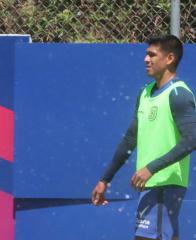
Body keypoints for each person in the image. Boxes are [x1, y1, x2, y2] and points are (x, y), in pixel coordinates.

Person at [91, 35, 196, 240]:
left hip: (166, 183)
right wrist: (105, 179)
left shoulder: (178, 94)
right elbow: (130, 139)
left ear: (170, 58)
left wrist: (151, 168)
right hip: (149, 185)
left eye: (152, 54)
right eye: (146, 54)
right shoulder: (145, 93)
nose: (146, 59)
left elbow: (192, 139)